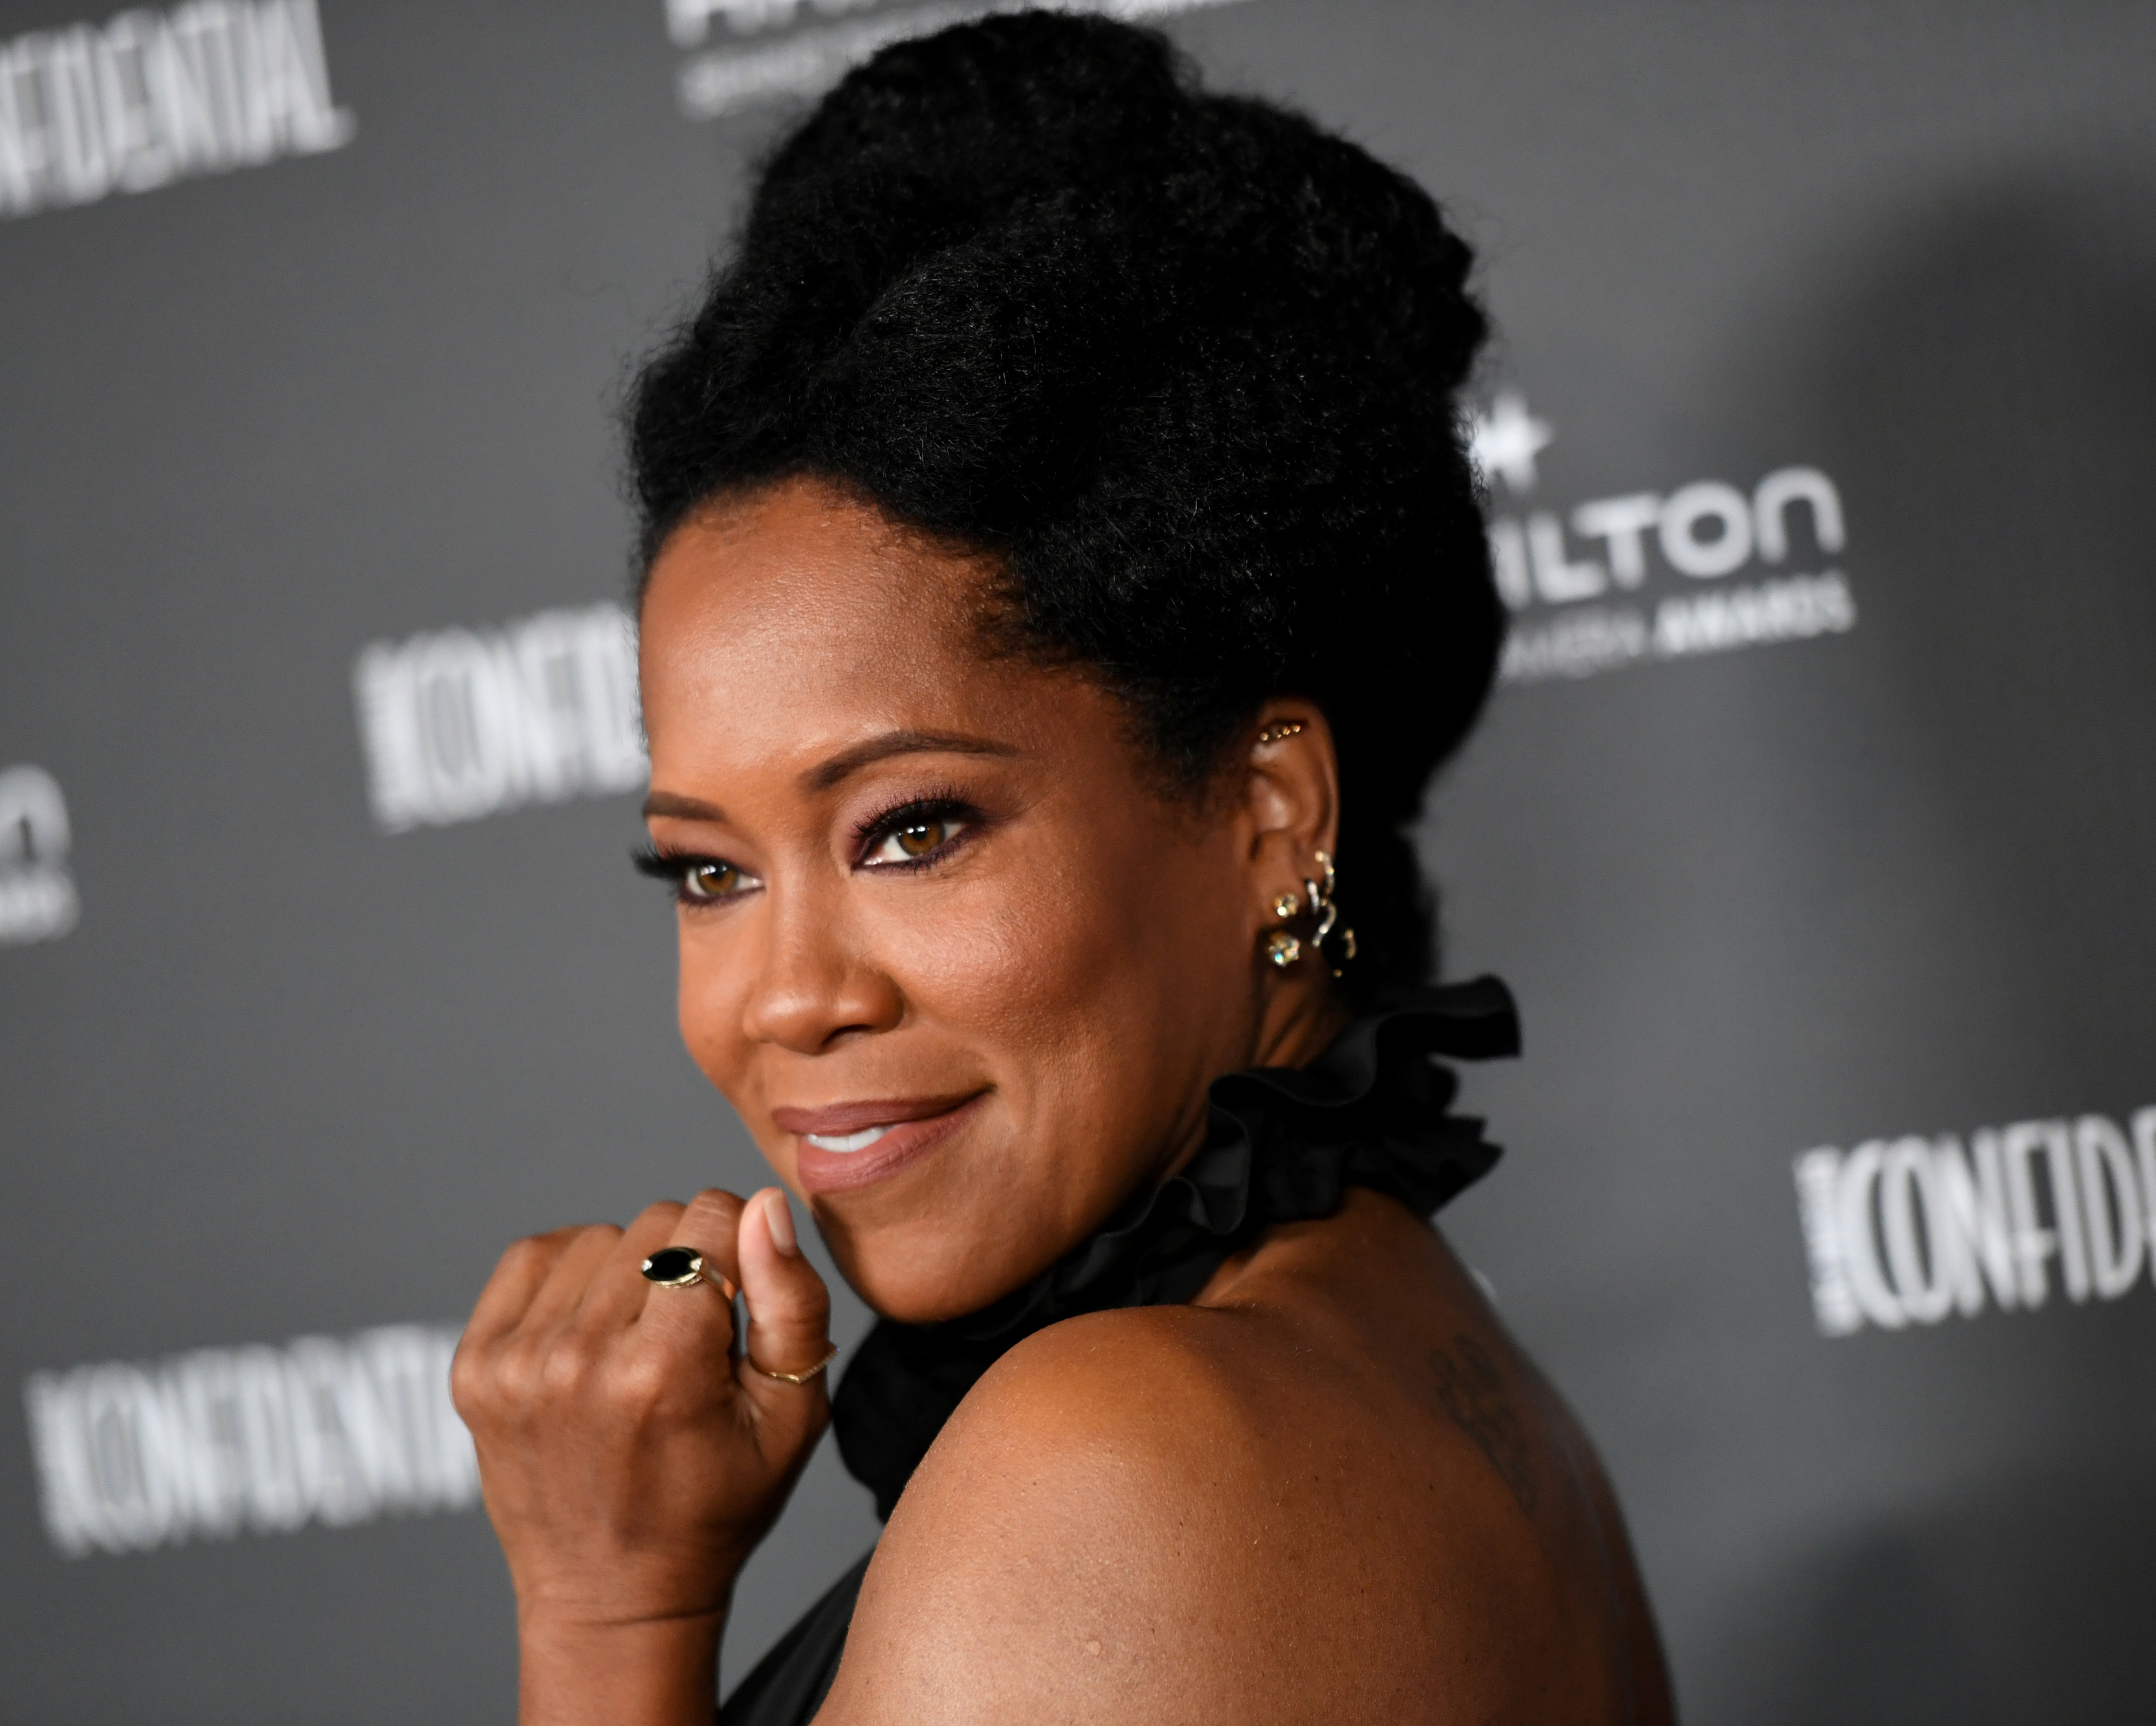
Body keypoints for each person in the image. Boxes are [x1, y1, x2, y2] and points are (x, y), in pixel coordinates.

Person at [450, 14, 1673, 1724]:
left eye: (912, 829)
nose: (791, 997)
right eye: (708, 873)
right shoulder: (1450, 1380)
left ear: (1266, 817)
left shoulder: (1113, 1463)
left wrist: (606, 1615)